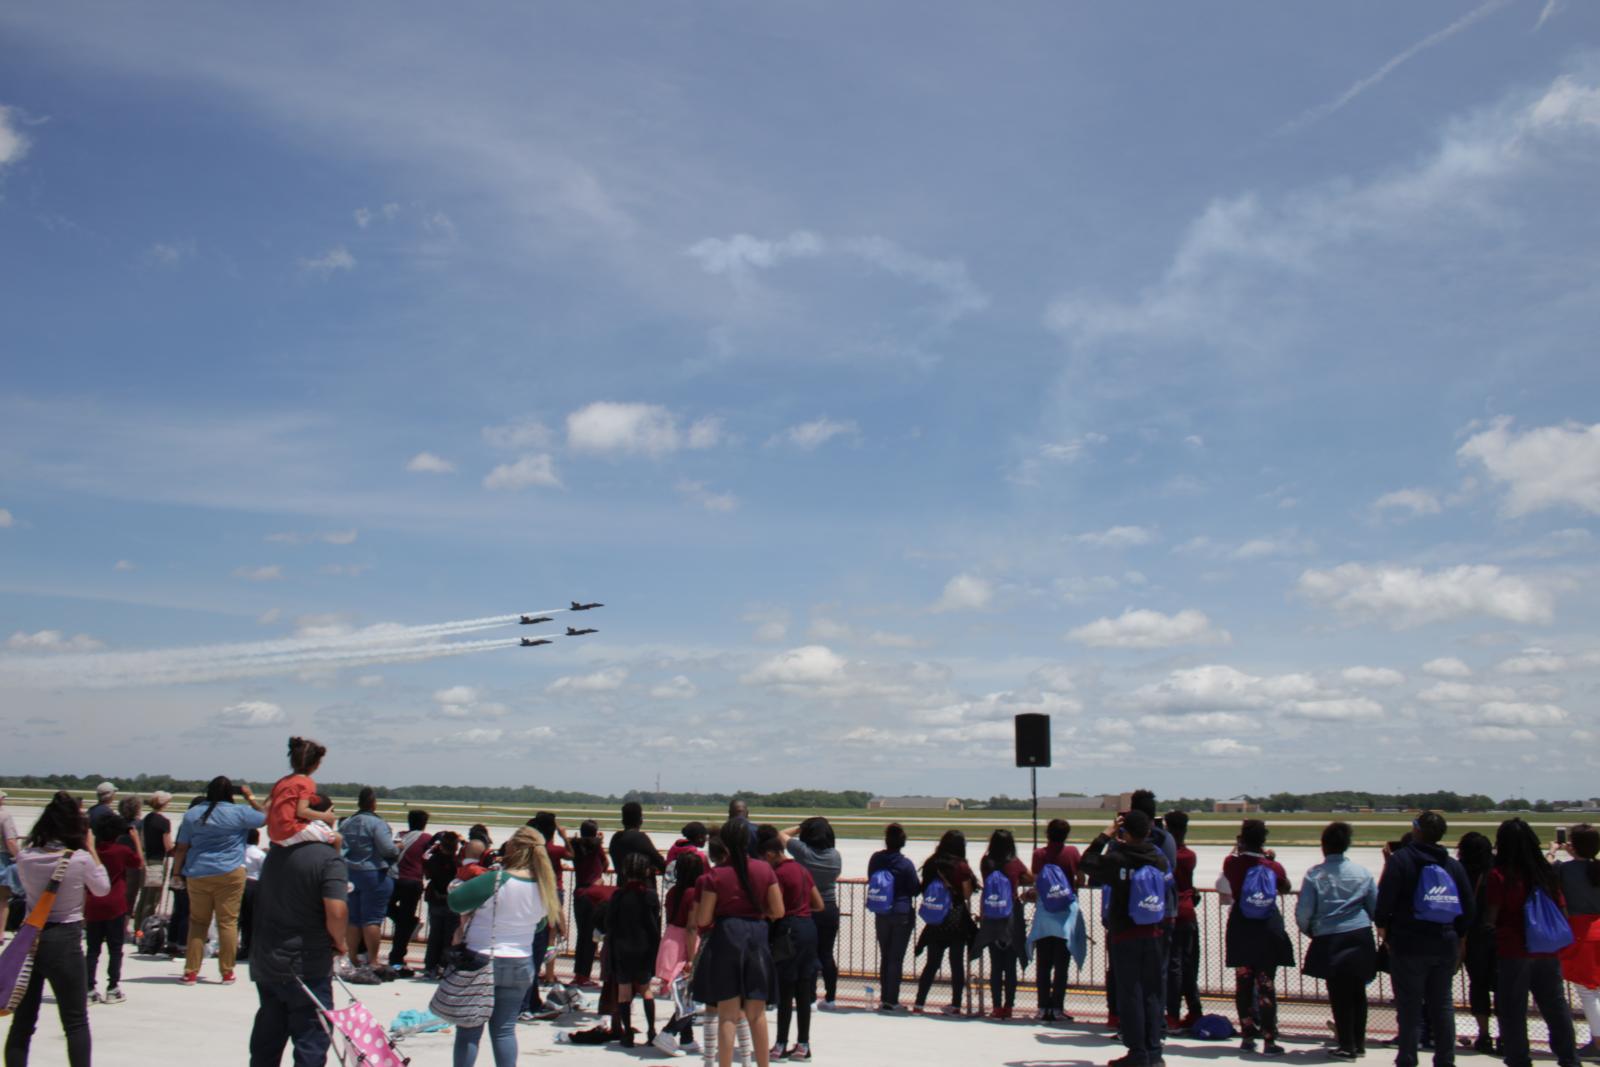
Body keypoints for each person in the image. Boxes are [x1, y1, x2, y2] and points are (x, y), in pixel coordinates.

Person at [4, 790, 109, 1067]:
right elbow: (102, 889)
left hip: (30, 938)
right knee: (75, 1022)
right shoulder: (79, 859)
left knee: (22, 1023)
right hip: (64, 938)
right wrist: (91, 848)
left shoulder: (26, 857)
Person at [448, 825, 566, 1067]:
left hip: (482, 958)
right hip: (520, 961)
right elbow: (540, 925)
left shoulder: (496, 879)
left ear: (512, 848)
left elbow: (456, 902)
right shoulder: (544, 886)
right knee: (504, 1030)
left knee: (469, 1030)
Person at [248, 804, 349, 1067]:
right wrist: (339, 941)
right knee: (311, 1037)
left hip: (268, 959)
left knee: (268, 1034)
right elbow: (336, 911)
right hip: (306, 962)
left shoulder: (276, 852)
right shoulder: (328, 859)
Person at [1375, 810, 1475, 1067]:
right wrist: (1458, 936)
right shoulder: (1452, 865)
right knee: (1442, 1005)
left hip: (1408, 943)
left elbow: (1385, 899)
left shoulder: (1401, 860)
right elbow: (1468, 907)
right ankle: (1445, 1059)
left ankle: (1407, 1058)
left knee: (1409, 1006)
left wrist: (1384, 928)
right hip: (1444, 941)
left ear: (1416, 830)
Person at [1485, 818, 1580, 1067]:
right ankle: (1569, 1058)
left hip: (1514, 949)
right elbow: (1562, 910)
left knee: (1513, 1009)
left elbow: (1492, 915)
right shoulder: (1545, 873)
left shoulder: (1499, 875)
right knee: (1555, 1006)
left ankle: (1519, 1059)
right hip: (1546, 950)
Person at [1080, 809, 1170, 1067]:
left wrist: (1106, 836)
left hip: (1125, 933)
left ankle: (1137, 1051)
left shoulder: (1117, 859)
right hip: (1153, 932)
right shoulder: (1158, 858)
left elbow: (1087, 862)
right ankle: (1154, 1051)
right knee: (1152, 993)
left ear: (1124, 832)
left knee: (1130, 994)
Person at [692, 819, 782, 1067]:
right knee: (757, 1014)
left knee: (727, 1016)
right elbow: (778, 910)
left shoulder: (715, 875)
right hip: (757, 938)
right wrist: (758, 912)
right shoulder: (765, 870)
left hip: (726, 937)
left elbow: (703, 919)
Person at [172, 775, 267, 984]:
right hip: (230, 872)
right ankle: (227, 971)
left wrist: (176, 873)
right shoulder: (239, 812)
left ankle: (191, 971)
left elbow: (181, 847)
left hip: (198, 872)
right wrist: (249, 797)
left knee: (198, 922)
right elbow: (265, 817)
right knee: (228, 922)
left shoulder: (193, 814)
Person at [1296, 821, 1378, 1059]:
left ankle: (1347, 1045)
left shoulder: (1315, 874)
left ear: (1324, 846)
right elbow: (1375, 907)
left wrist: (1309, 930)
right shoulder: (1362, 873)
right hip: (1360, 934)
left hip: (1330, 937)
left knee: (1339, 993)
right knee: (1358, 991)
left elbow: (1304, 910)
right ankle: (1358, 1043)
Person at [1222, 818, 1295, 1055]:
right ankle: (1269, 1039)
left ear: (1242, 839)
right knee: (1266, 984)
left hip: (1241, 927)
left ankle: (1247, 1036)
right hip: (1267, 928)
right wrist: (1269, 859)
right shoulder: (1273, 867)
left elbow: (1231, 863)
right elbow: (1285, 887)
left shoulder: (1232, 864)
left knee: (1243, 983)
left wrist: (1240, 848)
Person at [763, 833, 824, 1060]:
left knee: (786, 990)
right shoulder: (802, 869)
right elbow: (818, 904)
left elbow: (775, 909)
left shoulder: (778, 874)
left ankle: (780, 1043)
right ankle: (803, 1044)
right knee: (804, 989)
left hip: (788, 931)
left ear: (771, 854)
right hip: (808, 927)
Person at [778, 817, 842, 1011]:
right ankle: (830, 998)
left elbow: (780, 835)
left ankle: (810, 998)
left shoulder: (804, 852)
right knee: (826, 954)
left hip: (808, 907)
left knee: (809, 955)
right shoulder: (835, 855)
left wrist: (800, 827)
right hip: (829, 907)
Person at [914, 829, 976, 1016]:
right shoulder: (961, 866)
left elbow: (925, 889)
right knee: (956, 963)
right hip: (956, 919)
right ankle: (956, 1004)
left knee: (932, 963)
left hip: (936, 920)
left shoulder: (931, 863)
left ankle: (919, 1003)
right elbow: (967, 894)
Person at [606, 852, 664, 1047]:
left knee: (624, 991)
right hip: (644, 947)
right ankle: (651, 1031)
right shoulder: (650, 896)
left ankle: (628, 1033)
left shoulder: (618, 895)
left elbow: (610, 923)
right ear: (646, 872)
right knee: (646, 989)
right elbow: (654, 925)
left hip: (622, 947)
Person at [975, 827, 1033, 1020]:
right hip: (1011, 915)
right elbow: (1030, 877)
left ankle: (996, 1006)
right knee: (1010, 964)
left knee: (995, 965)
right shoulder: (1014, 863)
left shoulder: (986, 862)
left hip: (991, 914)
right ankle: (1009, 1006)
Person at [83, 814, 139, 1006]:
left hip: (94, 903)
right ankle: (112, 987)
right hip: (116, 904)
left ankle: (89, 988)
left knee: (92, 949)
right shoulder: (121, 850)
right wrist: (136, 840)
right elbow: (138, 862)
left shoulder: (91, 852)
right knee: (115, 949)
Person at [1554, 824, 1600, 1057]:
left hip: (1583, 932)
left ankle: (1598, 1042)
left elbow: (1548, 871)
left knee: (1588, 992)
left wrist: (1553, 852)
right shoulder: (1595, 868)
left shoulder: (1565, 870)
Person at [338, 786, 397, 970]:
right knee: (372, 919)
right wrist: (397, 849)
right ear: (373, 803)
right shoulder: (377, 823)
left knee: (353, 919)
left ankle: (353, 957)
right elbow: (387, 849)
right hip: (373, 872)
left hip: (350, 873)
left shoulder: (347, 822)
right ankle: (373, 960)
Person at [866, 822, 920, 1012]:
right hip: (901, 912)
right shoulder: (905, 864)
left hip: (882, 912)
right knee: (896, 958)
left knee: (885, 956)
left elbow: (871, 878)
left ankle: (884, 998)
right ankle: (892, 1000)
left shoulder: (876, 859)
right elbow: (915, 889)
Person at [1033, 818, 1082, 1022]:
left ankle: (1042, 1007)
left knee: (1043, 964)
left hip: (1045, 914)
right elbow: (1081, 878)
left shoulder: (1039, 854)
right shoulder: (1072, 852)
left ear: (1047, 833)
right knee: (1062, 965)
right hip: (1065, 915)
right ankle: (1057, 1007)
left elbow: (1037, 881)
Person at [658, 848, 706, 1056]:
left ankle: (687, 1038)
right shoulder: (693, 893)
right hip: (685, 942)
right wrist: (692, 958)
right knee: (690, 995)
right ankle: (668, 1032)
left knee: (683, 992)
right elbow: (691, 927)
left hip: (671, 938)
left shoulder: (673, 892)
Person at [519, 812, 567, 1015]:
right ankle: (525, 1006)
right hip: (537, 917)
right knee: (532, 960)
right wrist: (561, 921)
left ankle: (532, 1002)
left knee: (531, 960)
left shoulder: (525, 856)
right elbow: (550, 892)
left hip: (528, 917)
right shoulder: (544, 854)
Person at [1456, 831, 1497, 1053]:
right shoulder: (1497, 871)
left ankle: (1484, 1034)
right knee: (1502, 986)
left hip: (1471, 935)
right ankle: (1506, 1035)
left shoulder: (1459, 871)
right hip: (1496, 934)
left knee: (1478, 985)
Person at [1164, 810, 1201, 1029]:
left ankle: (1173, 1014)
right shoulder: (1190, 855)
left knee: (1173, 966)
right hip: (1188, 912)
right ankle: (1195, 1010)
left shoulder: (1165, 856)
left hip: (1172, 912)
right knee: (1189, 964)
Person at [266, 736, 336, 846]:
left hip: (273, 834)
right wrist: (325, 816)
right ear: (316, 764)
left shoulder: (282, 781)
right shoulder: (306, 782)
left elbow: (267, 806)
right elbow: (302, 811)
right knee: (335, 837)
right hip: (289, 831)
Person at [386, 809, 432, 973]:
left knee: (386, 907)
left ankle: (408, 923)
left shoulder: (400, 836)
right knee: (404, 922)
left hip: (394, 879)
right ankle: (397, 957)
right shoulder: (427, 839)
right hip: (413, 881)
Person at [570, 819, 609, 987]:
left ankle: (578, 974)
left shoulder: (575, 846)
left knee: (582, 935)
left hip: (579, 892)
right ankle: (584, 975)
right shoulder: (596, 847)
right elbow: (605, 864)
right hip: (593, 893)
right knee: (592, 936)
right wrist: (600, 843)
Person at [420, 830, 461, 980]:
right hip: (452, 901)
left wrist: (434, 847)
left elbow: (425, 861)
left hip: (436, 899)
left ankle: (430, 966)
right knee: (449, 936)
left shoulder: (434, 859)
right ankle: (445, 966)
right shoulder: (458, 862)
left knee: (435, 935)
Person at [132, 790, 175, 934]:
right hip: (157, 862)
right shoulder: (163, 822)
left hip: (146, 859)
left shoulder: (147, 819)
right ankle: (145, 930)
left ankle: (138, 928)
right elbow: (168, 846)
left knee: (144, 897)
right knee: (152, 899)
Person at [609, 801, 666, 884]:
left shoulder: (615, 838)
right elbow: (660, 862)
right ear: (640, 820)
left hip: (622, 885)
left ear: (623, 821)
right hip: (642, 888)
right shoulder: (640, 838)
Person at [239, 828, 267, 961]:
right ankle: (250, 947)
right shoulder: (259, 854)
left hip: (239, 884)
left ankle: (239, 947)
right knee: (251, 918)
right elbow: (265, 871)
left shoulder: (238, 851)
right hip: (254, 885)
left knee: (239, 918)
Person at [115, 794, 146, 915]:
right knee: (131, 892)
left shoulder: (117, 823)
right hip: (132, 861)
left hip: (118, 860)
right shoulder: (139, 824)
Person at [0, 789, 21, 948]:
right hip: (1, 858)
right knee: (2, 898)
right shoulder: (4, 816)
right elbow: (11, 841)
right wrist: (20, 858)